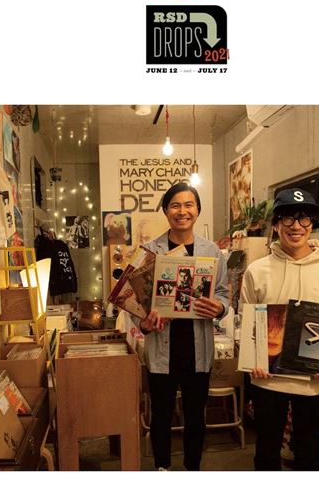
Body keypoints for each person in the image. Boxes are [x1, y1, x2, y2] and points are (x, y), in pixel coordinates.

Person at [240, 188, 319, 471]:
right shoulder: (257, 270)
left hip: (315, 382)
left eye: (304, 218)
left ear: (312, 224)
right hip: (267, 379)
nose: (296, 226)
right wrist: (254, 360)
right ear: (276, 224)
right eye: (288, 218)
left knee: (309, 457)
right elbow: (247, 322)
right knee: (266, 454)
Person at [137, 182, 229, 471]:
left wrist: (220, 307)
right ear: (166, 210)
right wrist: (144, 321)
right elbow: (136, 301)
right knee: (161, 416)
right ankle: (162, 470)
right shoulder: (149, 251)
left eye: (189, 205)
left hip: (197, 349)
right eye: (175, 205)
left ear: (198, 210)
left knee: (195, 417)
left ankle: (192, 470)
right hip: (161, 348)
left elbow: (223, 293)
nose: (182, 211)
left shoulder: (212, 252)